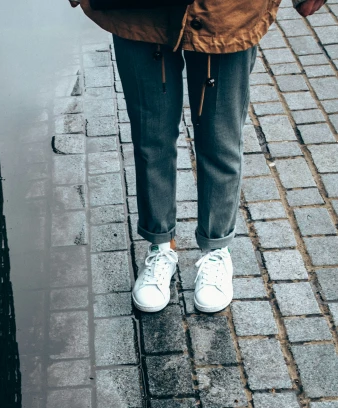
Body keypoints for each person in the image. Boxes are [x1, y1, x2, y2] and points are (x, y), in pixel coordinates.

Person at [69, 0, 326, 313]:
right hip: (137, 10)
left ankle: (216, 250)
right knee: (152, 137)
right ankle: (160, 245)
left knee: (220, 141)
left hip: (228, 11)